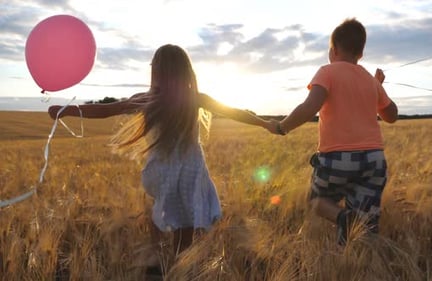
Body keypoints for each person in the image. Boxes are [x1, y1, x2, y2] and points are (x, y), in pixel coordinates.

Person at [48, 44, 274, 259]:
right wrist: (264, 123)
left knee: (159, 212)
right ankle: (178, 263)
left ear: (156, 71)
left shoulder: (147, 99)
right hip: (190, 171)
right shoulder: (196, 99)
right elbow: (235, 112)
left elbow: (106, 110)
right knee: (185, 226)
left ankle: (155, 258)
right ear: (186, 71)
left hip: (159, 171)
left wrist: (66, 110)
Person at [269, 18, 398, 245]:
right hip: (374, 161)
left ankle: (342, 217)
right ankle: (360, 258)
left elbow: (310, 107)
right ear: (361, 53)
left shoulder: (327, 72)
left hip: (337, 159)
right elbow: (392, 115)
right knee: (365, 224)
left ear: (334, 49)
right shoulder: (371, 80)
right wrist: (379, 87)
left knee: (316, 200)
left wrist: (282, 127)